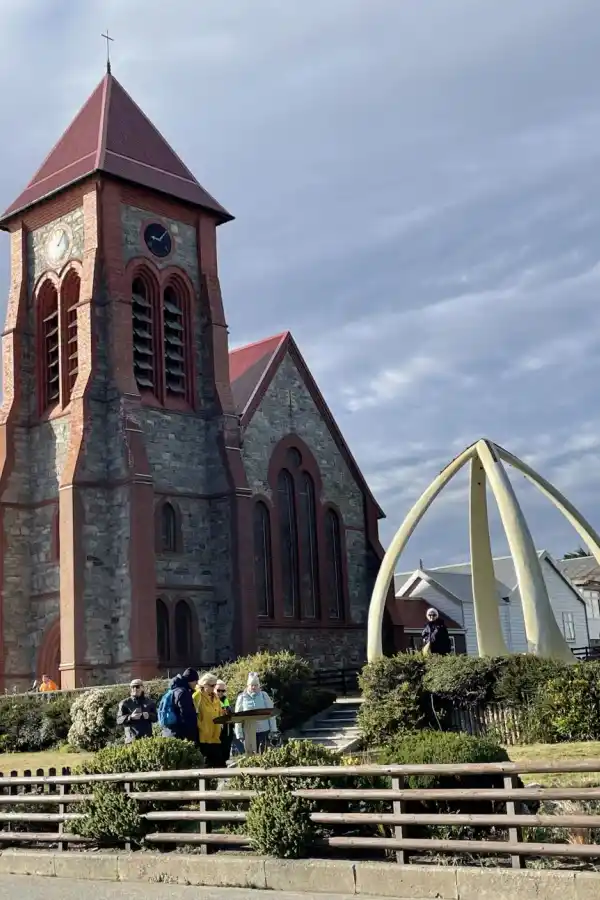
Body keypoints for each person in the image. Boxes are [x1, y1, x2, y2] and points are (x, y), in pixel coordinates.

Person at [234, 672, 278, 753]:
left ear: (259, 686)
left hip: (264, 731)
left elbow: (271, 714)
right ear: (248, 686)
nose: (254, 687)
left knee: (263, 753)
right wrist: (239, 733)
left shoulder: (264, 696)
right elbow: (237, 717)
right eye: (251, 685)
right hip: (249, 731)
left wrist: (273, 730)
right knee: (251, 754)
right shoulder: (242, 697)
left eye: (256, 685)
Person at [160, 667, 200, 744]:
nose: (197, 683)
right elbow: (187, 717)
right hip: (180, 736)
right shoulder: (183, 693)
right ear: (190, 680)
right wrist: (193, 738)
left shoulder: (174, 690)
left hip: (169, 732)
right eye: (196, 680)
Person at [192, 673, 223, 767]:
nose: (214, 688)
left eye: (215, 686)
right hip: (204, 737)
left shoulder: (216, 697)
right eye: (212, 685)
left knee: (218, 765)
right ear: (205, 684)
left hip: (215, 736)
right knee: (205, 766)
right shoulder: (197, 696)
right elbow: (194, 714)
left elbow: (219, 712)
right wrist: (201, 727)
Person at [116, 679, 157, 744]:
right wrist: (131, 717)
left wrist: (149, 715)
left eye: (137, 686)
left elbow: (156, 718)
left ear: (142, 688)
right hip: (131, 740)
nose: (135, 689)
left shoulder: (150, 702)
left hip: (147, 739)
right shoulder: (124, 703)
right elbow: (118, 720)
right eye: (132, 687)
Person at [216, 679, 233, 766]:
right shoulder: (212, 700)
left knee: (225, 755)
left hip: (227, 732)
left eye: (223, 691)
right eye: (218, 690)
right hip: (216, 732)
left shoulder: (225, 700)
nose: (220, 693)